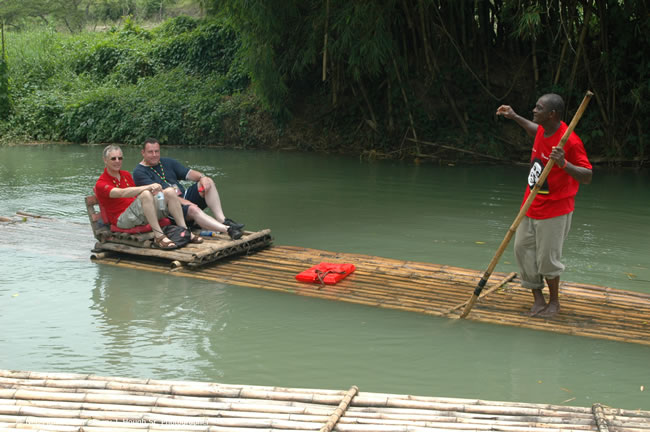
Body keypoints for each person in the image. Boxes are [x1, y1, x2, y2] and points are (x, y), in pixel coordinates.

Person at [496, 93, 592, 318]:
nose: (534, 110)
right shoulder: (542, 128)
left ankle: (554, 303)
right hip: (531, 204)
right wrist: (514, 116)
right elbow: (533, 129)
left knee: (547, 258)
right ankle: (538, 299)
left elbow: (587, 175)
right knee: (522, 249)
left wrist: (564, 163)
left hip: (554, 210)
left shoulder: (569, 140)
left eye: (538, 108)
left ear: (552, 114)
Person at [132, 138, 244, 240]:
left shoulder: (167, 162)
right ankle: (228, 230)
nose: (154, 155)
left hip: (183, 196)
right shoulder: (139, 172)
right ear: (143, 153)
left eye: (157, 151)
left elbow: (189, 173)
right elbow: (162, 194)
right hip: (168, 208)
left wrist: (202, 177)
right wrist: (186, 203)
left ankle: (222, 219)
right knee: (192, 209)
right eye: (150, 152)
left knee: (208, 182)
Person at [95, 144, 203, 250]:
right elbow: (121, 193)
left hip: (137, 214)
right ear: (105, 160)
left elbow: (137, 196)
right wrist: (148, 187)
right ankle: (159, 236)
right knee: (146, 193)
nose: (117, 161)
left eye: (120, 158)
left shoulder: (126, 175)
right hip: (122, 219)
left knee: (169, 191)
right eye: (113, 159)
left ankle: (185, 230)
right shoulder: (101, 183)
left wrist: (156, 193)